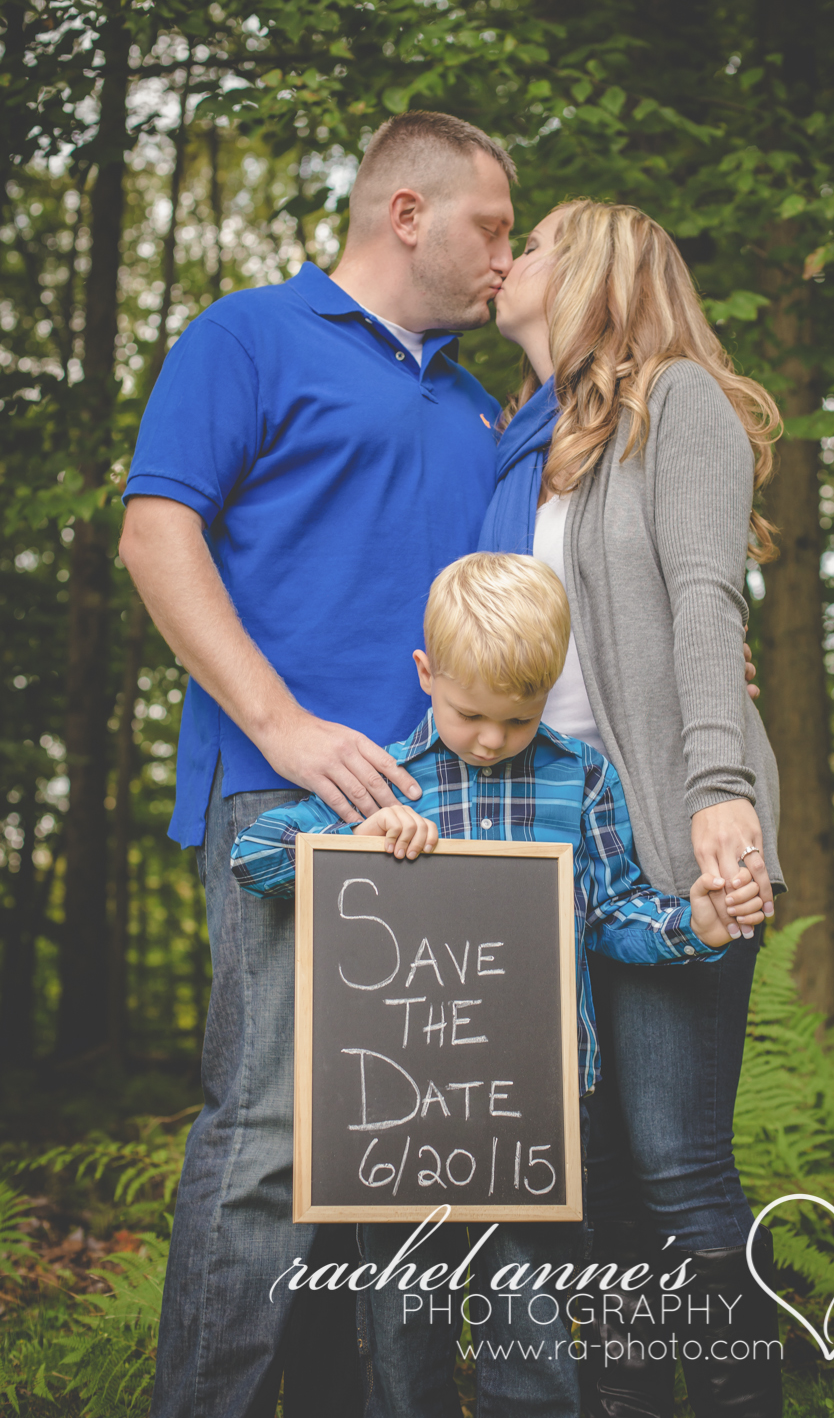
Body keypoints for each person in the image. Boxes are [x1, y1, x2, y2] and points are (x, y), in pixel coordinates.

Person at [117, 111, 519, 1418]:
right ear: (408, 213)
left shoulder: (479, 400)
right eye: (491, 227)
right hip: (285, 799)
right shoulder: (247, 336)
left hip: (452, 816)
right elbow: (154, 534)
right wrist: (284, 725)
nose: (506, 258)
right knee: (268, 1146)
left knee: (403, 1157)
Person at [230, 551, 768, 1418]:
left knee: (535, 1325)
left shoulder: (580, 779)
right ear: (426, 675)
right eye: (471, 712)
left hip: (539, 1115)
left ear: (551, 689)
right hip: (393, 1122)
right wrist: (360, 839)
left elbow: (610, 912)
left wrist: (693, 926)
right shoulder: (388, 781)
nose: (490, 739)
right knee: (405, 1328)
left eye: (518, 720)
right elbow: (251, 857)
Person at [480, 199, 786, 1417]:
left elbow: (707, 600)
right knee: (595, 1181)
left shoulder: (680, 402)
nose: (511, 258)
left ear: (594, 268)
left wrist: (718, 790)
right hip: (538, 850)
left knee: (675, 1169)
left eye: (537, 240)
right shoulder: (538, 438)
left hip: (661, 838)